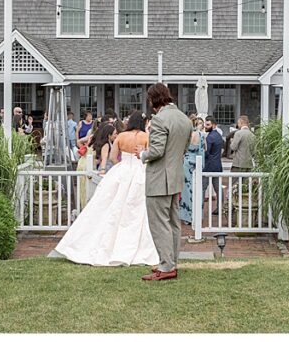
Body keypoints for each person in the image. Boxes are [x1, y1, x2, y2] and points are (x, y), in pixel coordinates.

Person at [49, 110, 159, 268]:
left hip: (122, 170)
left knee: (109, 206)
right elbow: (148, 157)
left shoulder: (121, 136)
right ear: (143, 123)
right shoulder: (146, 137)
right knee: (138, 209)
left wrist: (121, 168)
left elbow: (114, 157)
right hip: (140, 171)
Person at [139, 83, 192, 282]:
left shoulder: (160, 120)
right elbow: (184, 148)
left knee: (159, 224)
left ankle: (166, 266)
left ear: (154, 99)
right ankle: (170, 262)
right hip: (176, 177)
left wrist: (142, 154)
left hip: (159, 179)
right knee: (173, 223)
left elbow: (157, 151)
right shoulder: (184, 119)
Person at [179, 117, 206, 224]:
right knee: (197, 189)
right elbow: (202, 151)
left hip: (186, 163)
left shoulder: (185, 135)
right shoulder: (200, 135)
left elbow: (181, 150)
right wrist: (201, 166)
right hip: (197, 163)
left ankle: (187, 216)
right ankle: (197, 215)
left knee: (186, 190)